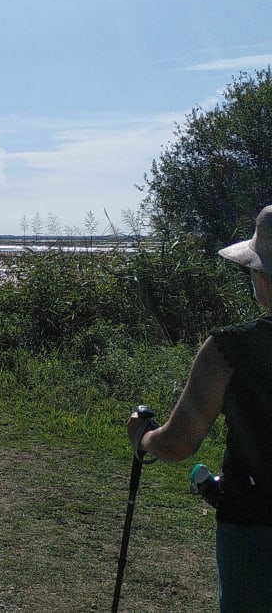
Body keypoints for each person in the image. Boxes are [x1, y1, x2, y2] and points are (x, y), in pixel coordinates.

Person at [128, 204, 272, 611]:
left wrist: (143, 436)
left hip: (255, 530)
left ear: (263, 276)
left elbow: (178, 444)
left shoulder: (229, 348)